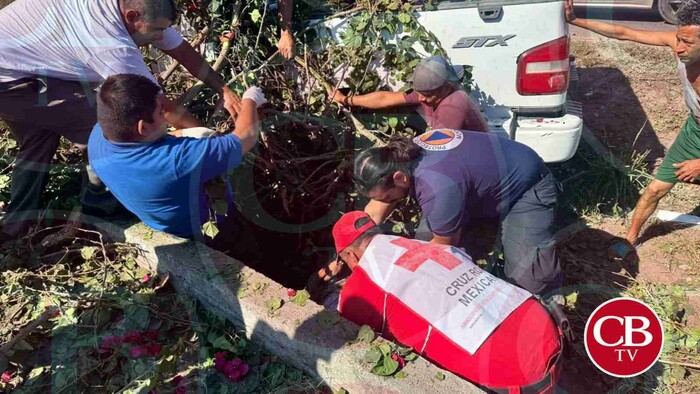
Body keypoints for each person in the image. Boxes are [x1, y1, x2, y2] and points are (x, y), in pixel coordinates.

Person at [0, 0, 240, 239]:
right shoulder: (110, 45)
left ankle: (16, 224)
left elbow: (181, 49)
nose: (159, 38)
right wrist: (205, 140)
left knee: (39, 136)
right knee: (108, 126)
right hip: (12, 76)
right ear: (132, 17)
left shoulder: (139, 10)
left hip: (16, 64)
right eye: (156, 31)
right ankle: (100, 207)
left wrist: (223, 89)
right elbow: (156, 104)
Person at [331, 211, 563, 393]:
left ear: (350, 255)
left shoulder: (361, 286)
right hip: (546, 330)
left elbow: (351, 338)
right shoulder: (425, 246)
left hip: (512, 376)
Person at [355, 130, 562, 297]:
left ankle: (547, 302)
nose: (383, 202)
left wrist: (398, 278)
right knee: (424, 242)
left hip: (525, 186)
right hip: (478, 184)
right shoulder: (402, 155)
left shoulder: (436, 186)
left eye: (386, 197)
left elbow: (443, 247)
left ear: (400, 178)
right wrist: (351, 247)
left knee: (529, 280)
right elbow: (374, 212)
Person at [566, 0, 700, 251]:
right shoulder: (678, 42)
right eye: (679, 38)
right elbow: (624, 33)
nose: (678, 48)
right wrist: (575, 21)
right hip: (695, 131)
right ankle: (631, 239)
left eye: (688, 43)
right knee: (654, 190)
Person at [88, 74, 264, 260]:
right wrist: (250, 99)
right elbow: (246, 136)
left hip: (164, 223)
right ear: (143, 128)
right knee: (247, 254)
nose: (165, 117)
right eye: (159, 113)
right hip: (210, 229)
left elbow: (153, 147)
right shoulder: (176, 161)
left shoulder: (98, 137)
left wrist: (184, 134)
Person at [329, 55, 489, 132]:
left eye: (425, 95)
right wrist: (345, 99)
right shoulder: (430, 93)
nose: (419, 98)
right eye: (418, 92)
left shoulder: (453, 105)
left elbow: (440, 147)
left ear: (446, 88)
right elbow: (384, 98)